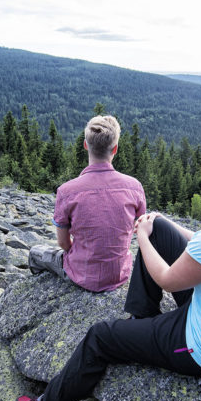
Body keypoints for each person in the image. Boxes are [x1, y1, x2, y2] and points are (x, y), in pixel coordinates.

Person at [15, 121, 201, 401]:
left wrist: (141, 236)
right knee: (161, 228)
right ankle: (142, 321)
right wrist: (161, 226)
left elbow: (169, 281)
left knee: (100, 337)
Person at [29, 115, 146, 292]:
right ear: (115, 149)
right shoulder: (134, 187)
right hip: (120, 274)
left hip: (81, 275)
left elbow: (63, 244)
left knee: (35, 253)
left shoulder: (66, 191)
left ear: (85, 145)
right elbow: (141, 228)